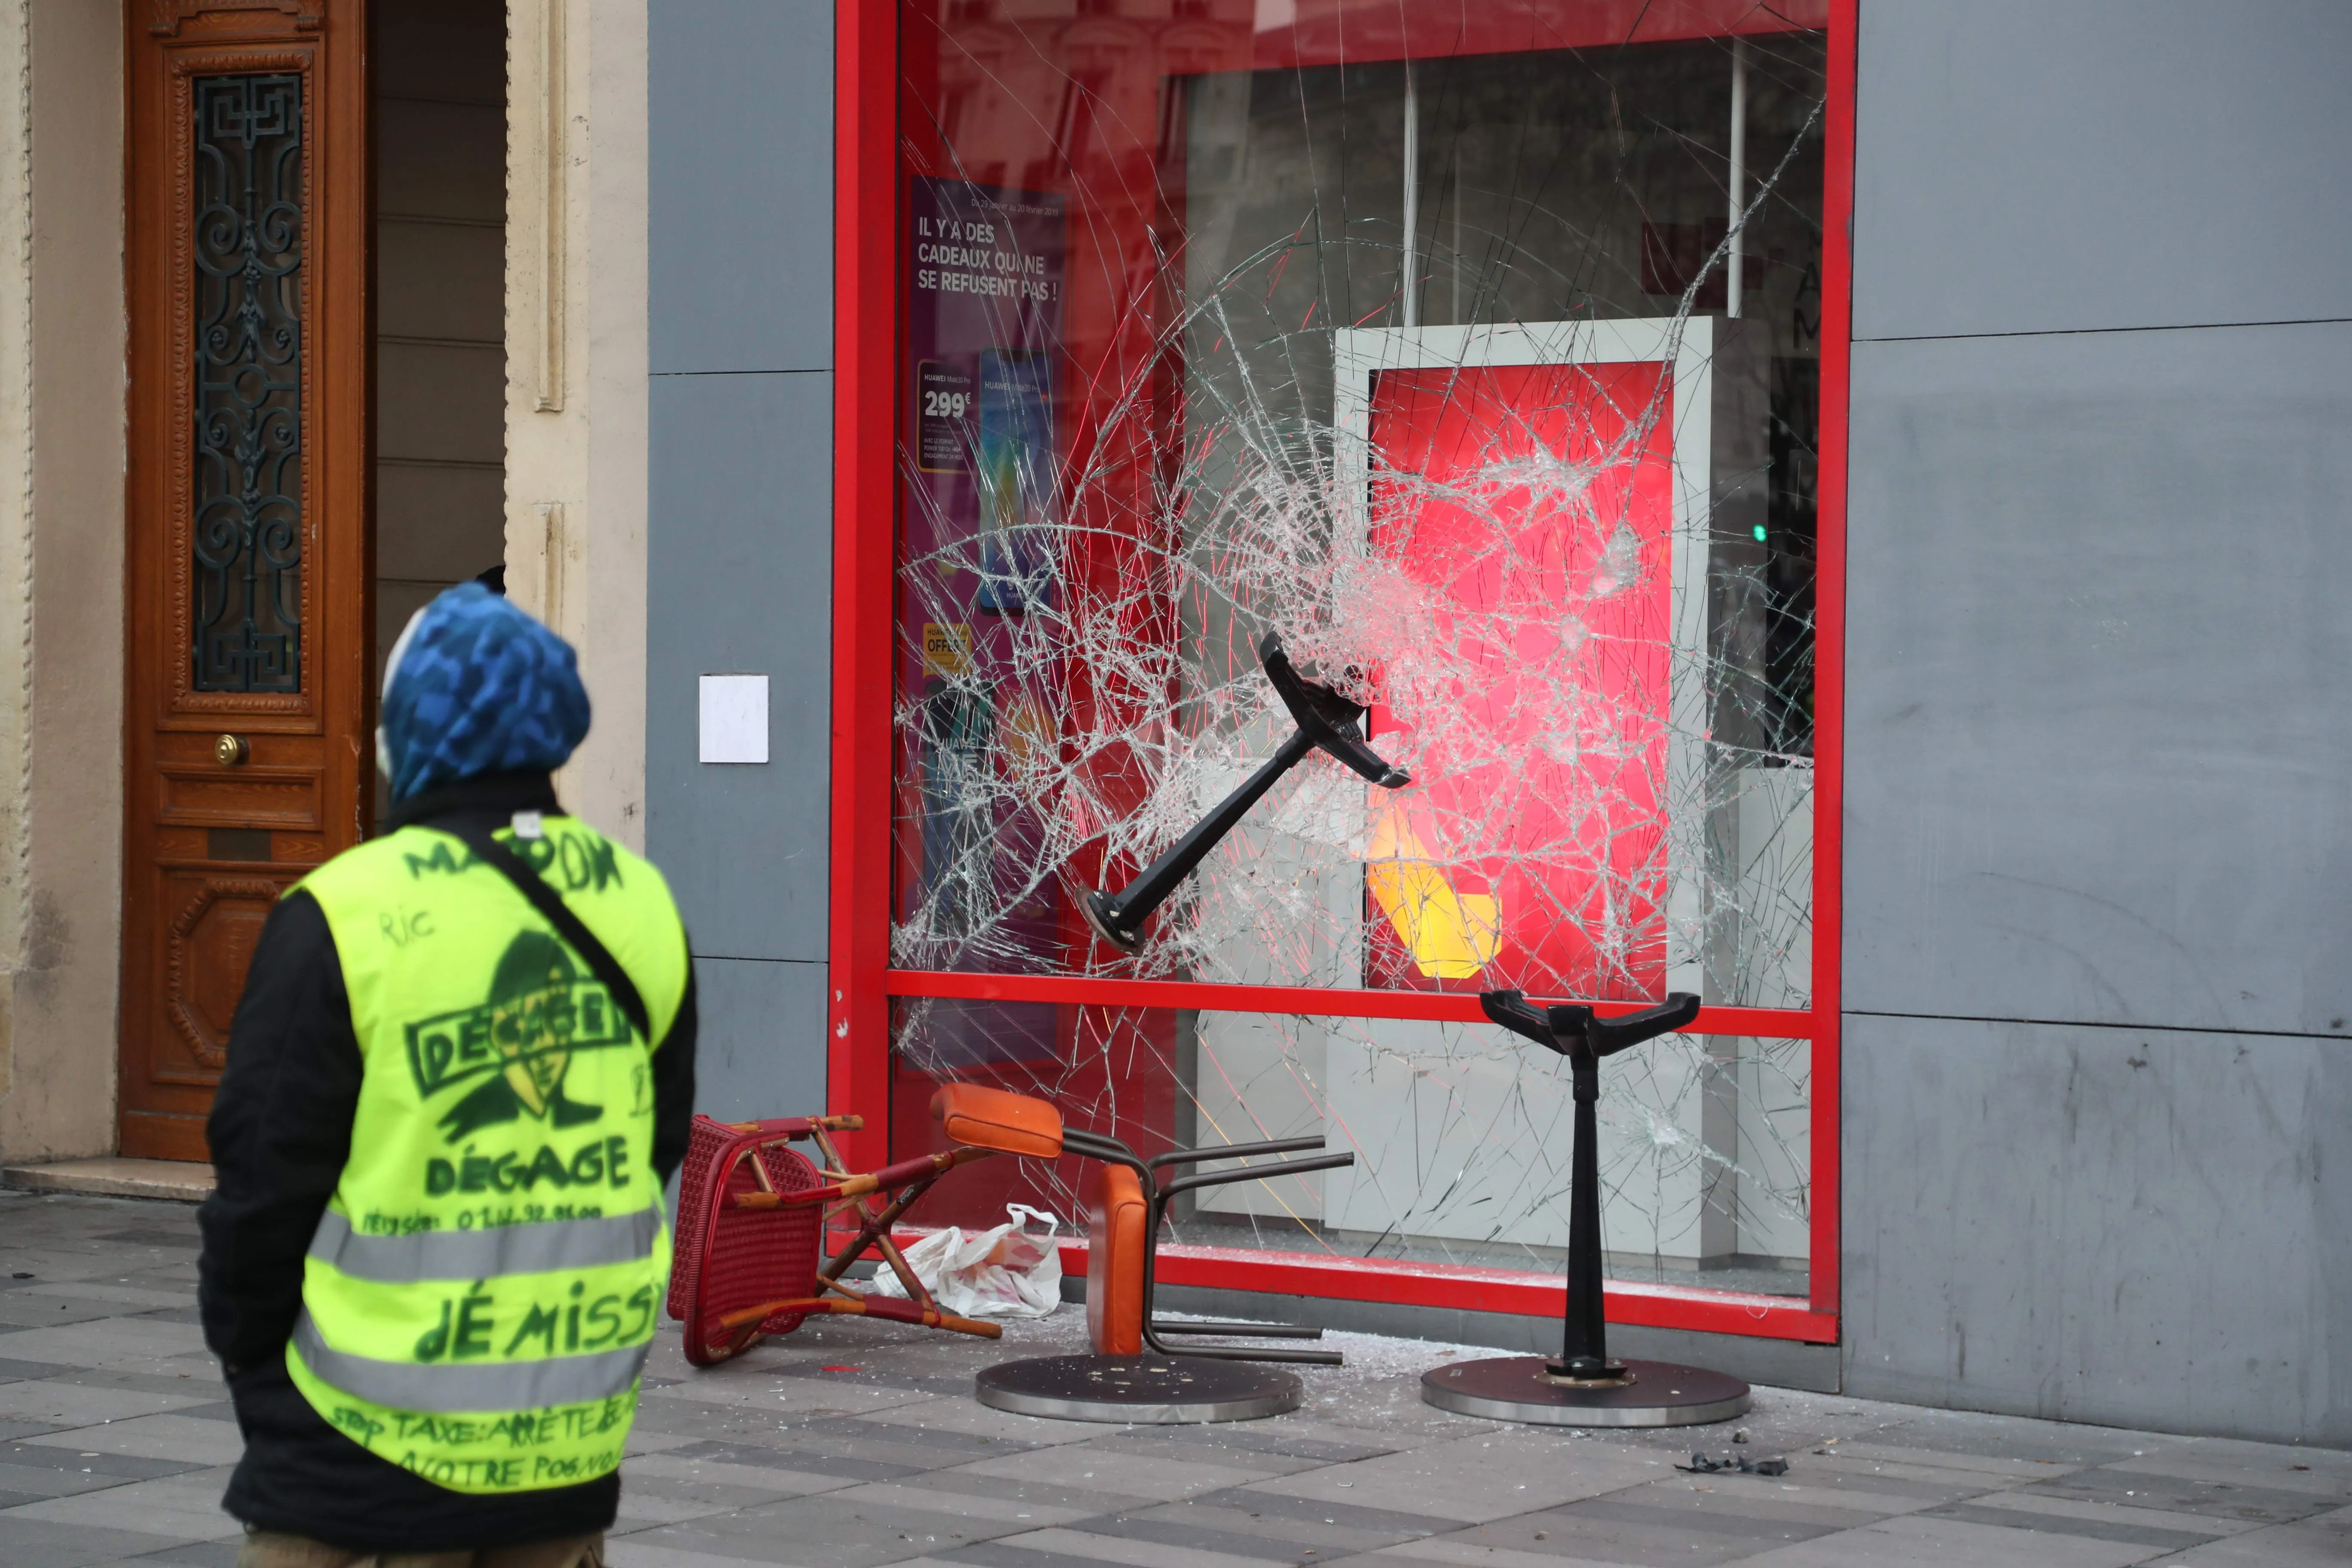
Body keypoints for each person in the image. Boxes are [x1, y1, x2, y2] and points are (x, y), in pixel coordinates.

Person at [198, 584, 697, 1568]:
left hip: (360, 1457)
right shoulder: (639, 903)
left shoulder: (346, 914)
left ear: (403, 734)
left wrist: (257, 1371)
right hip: (562, 1450)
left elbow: (261, 1188)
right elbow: (653, 1145)